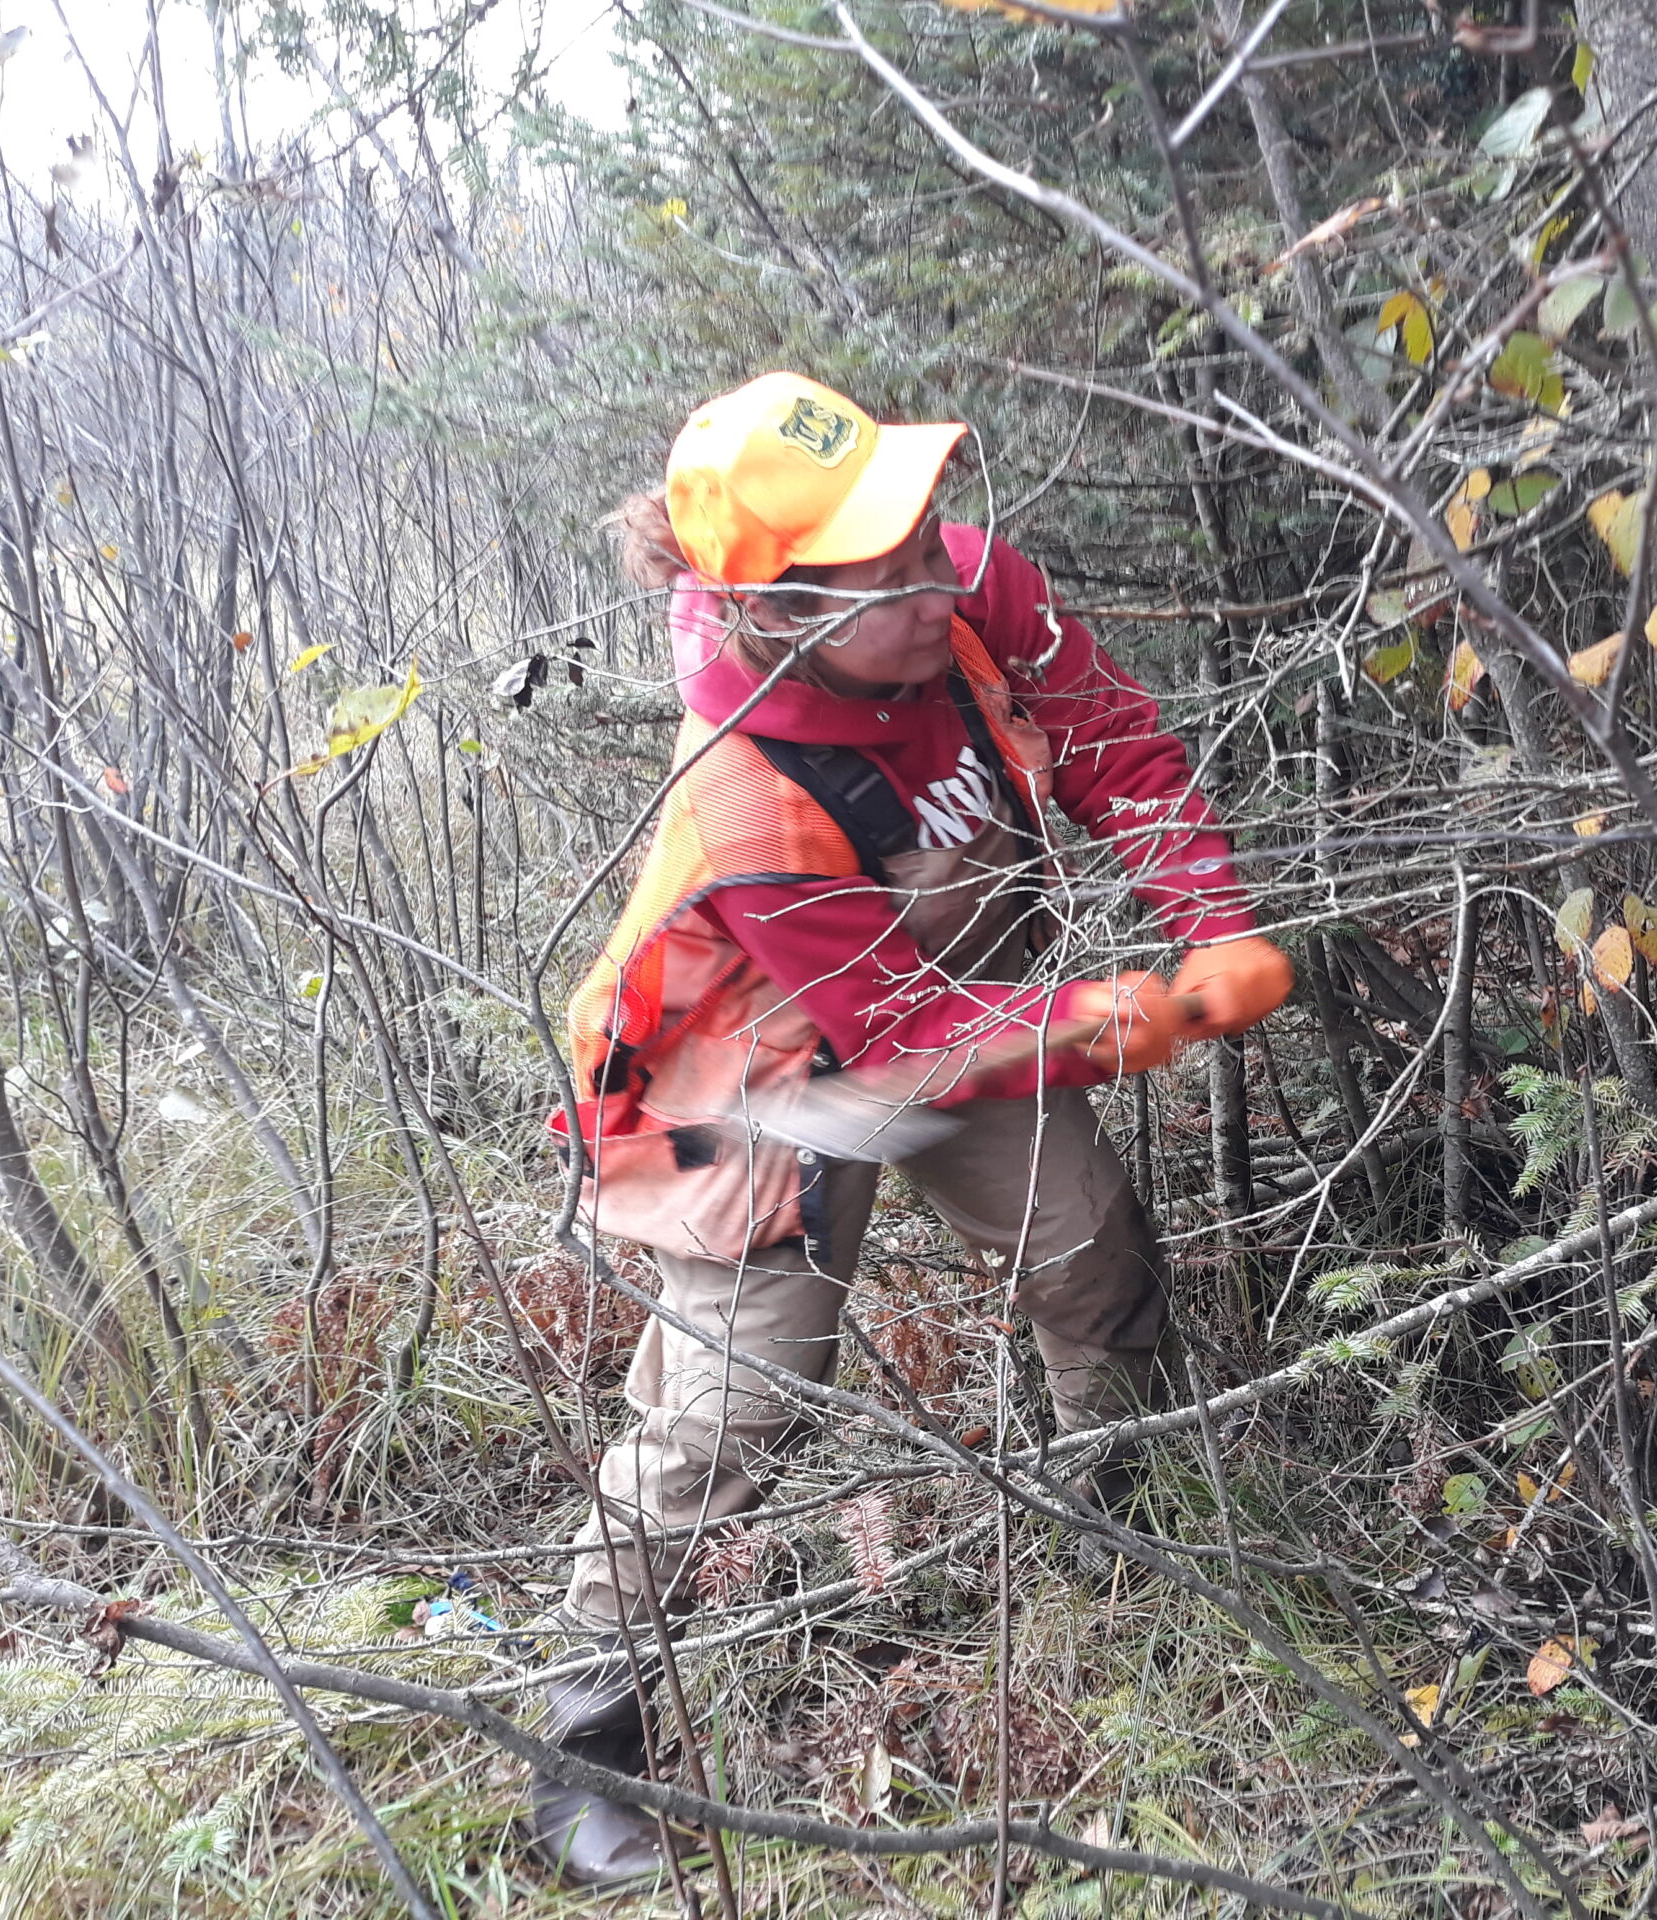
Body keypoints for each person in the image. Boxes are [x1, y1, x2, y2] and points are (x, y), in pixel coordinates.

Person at [529, 372, 1292, 1884]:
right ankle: (580, 1733)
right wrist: (1119, 1018)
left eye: (923, 526)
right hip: (732, 1062)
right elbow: (894, 1039)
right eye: (877, 570)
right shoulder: (747, 780)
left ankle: (1112, 1539)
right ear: (771, 607)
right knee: (739, 1403)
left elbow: (1114, 745)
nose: (931, 575)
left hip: (952, 996)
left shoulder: (971, 583)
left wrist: (1209, 924)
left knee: (1087, 1254)